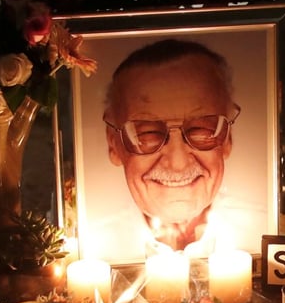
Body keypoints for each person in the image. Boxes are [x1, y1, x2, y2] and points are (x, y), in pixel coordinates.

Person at [103, 38, 243, 256]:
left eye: (200, 129)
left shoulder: (263, 238)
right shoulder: (95, 247)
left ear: (227, 137)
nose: (178, 164)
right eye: (147, 133)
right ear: (114, 143)